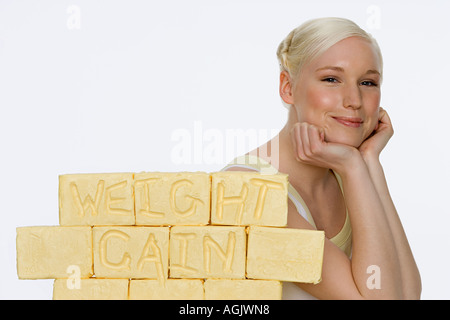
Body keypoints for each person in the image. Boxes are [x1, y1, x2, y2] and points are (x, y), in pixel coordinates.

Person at [222, 17, 421, 299]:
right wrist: (354, 166)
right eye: (331, 79)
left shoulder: (350, 178)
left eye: (367, 82)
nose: (353, 100)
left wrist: (369, 163)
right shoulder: (248, 190)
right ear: (288, 88)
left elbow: (409, 295)